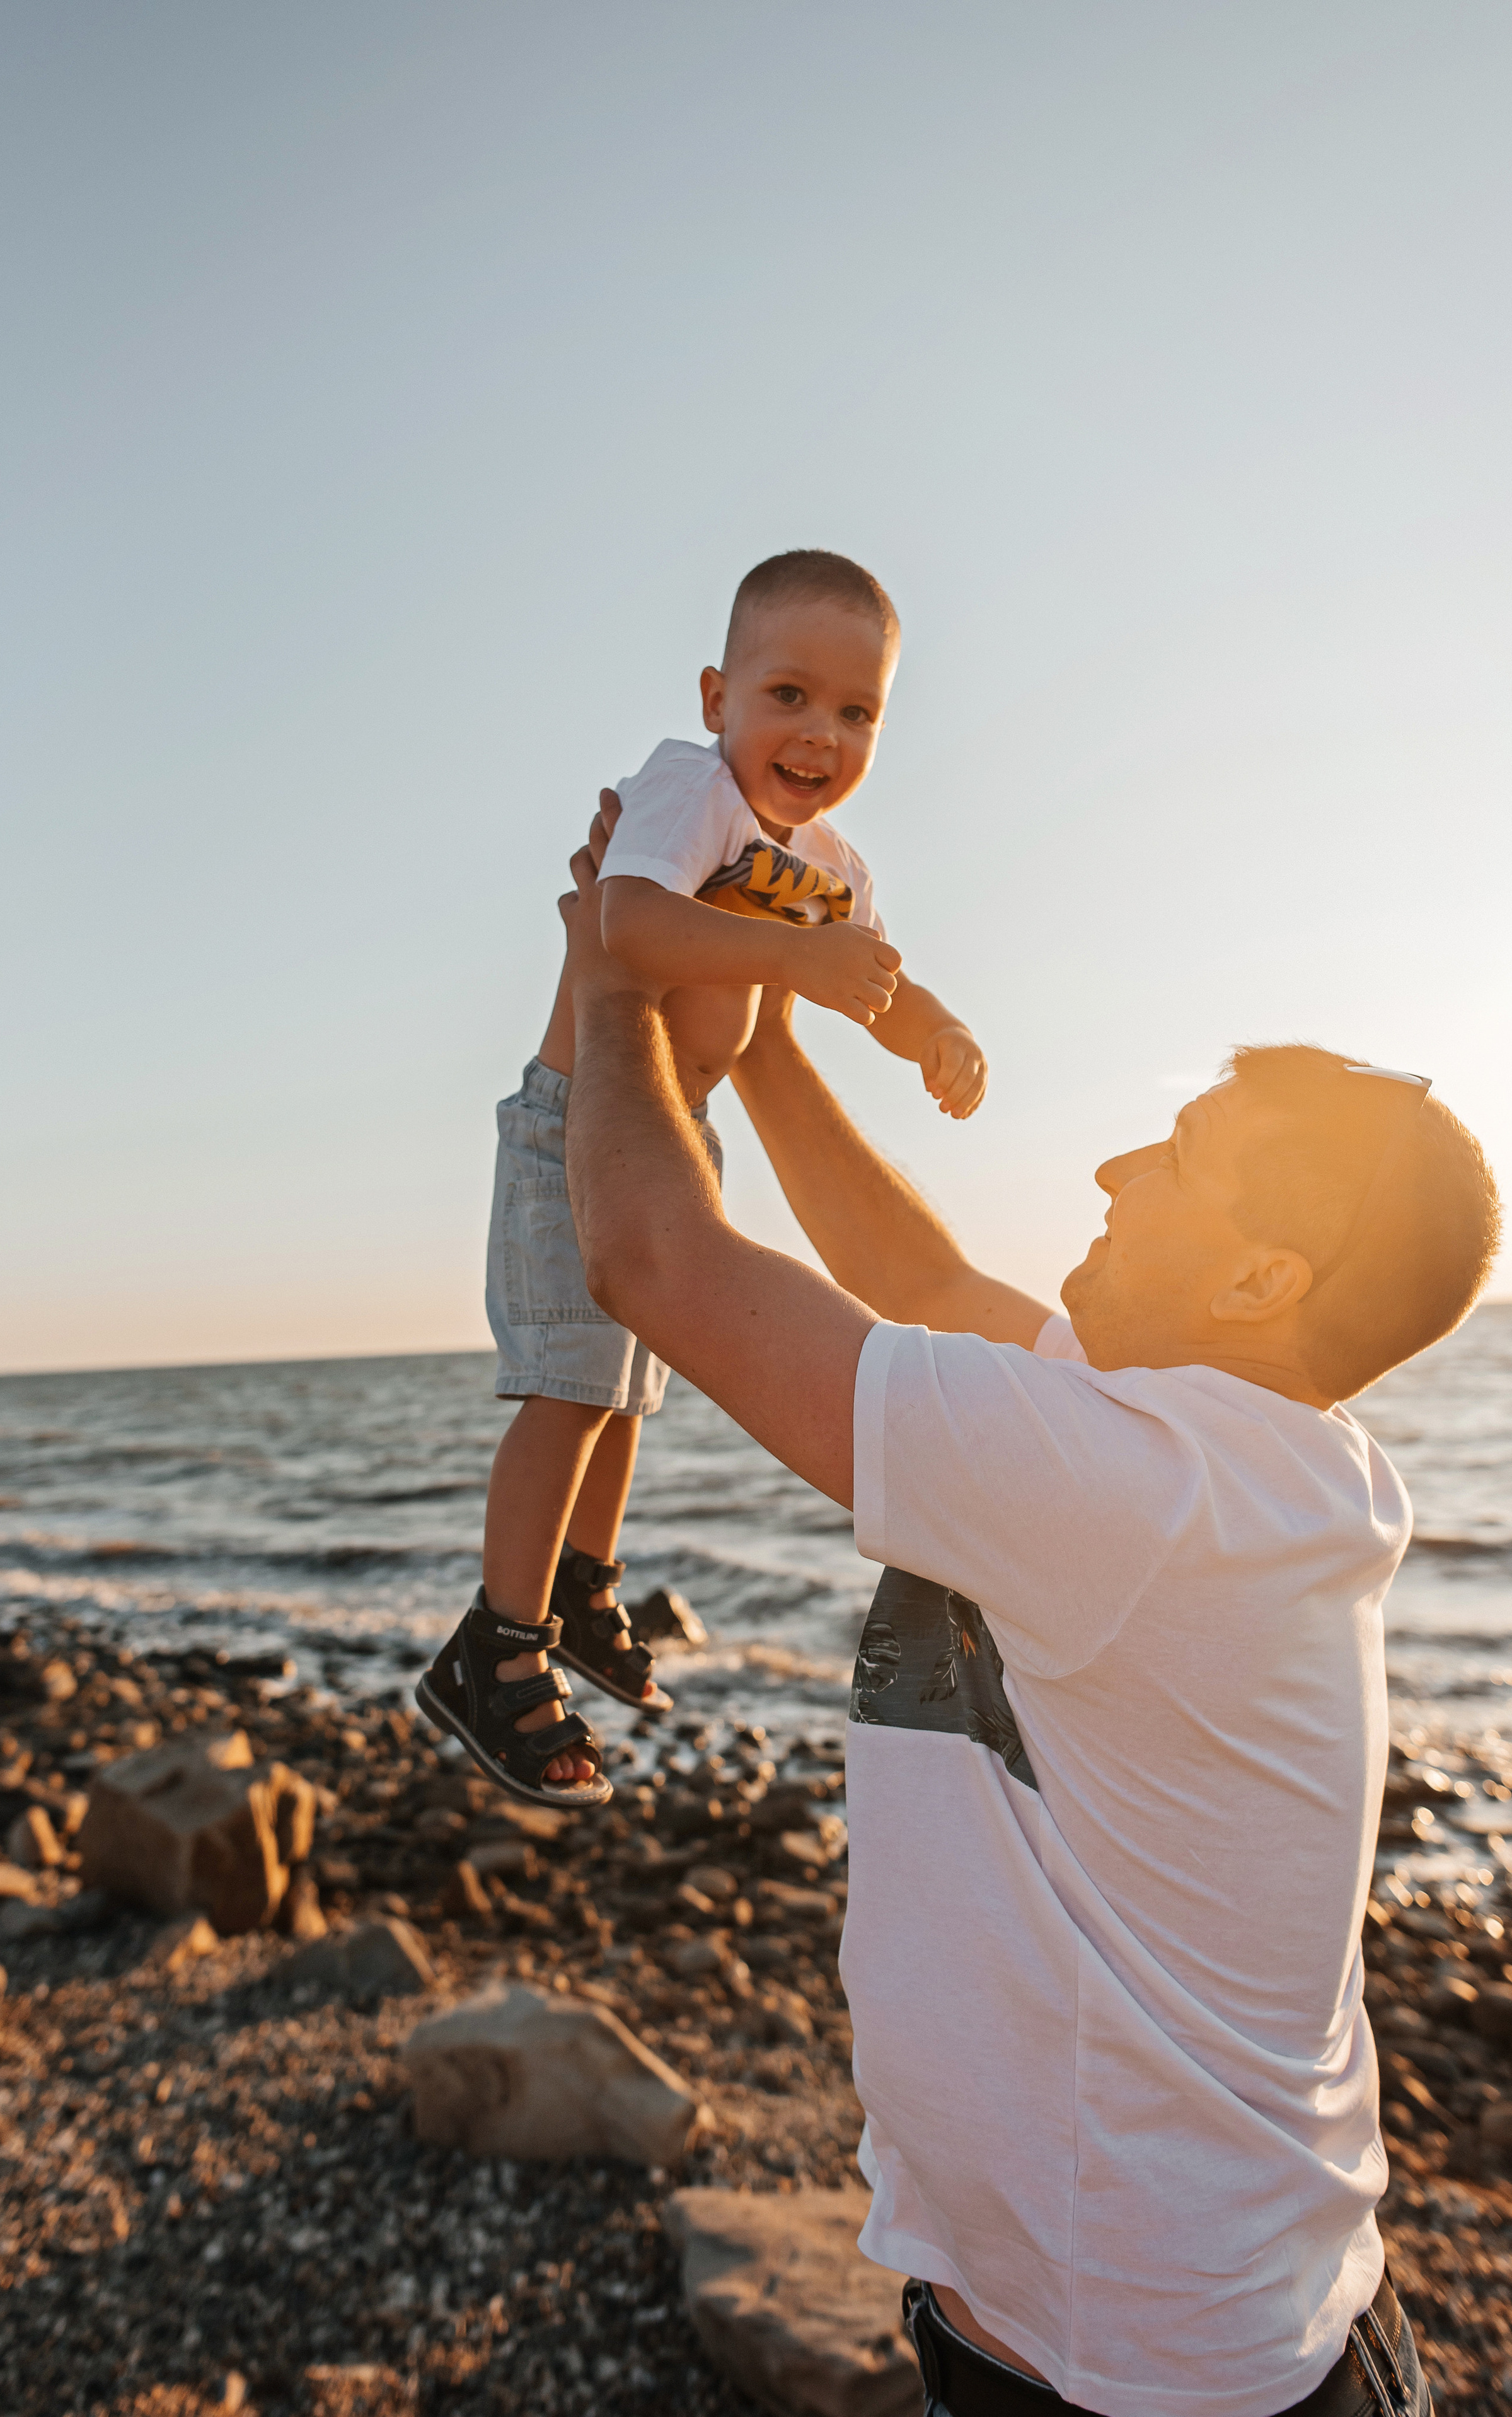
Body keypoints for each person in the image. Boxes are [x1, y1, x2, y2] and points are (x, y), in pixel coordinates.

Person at [555, 806, 1501, 2417]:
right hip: (1158, 2323)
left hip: (1144, 2376)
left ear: (1264, 1283)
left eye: (1177, 1160)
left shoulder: (1148, 1488)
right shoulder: (1223, 1448)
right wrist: (770, 1016)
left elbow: (649, 1256)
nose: (1112, 1165)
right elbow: (910, 1278)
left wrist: (614, 967)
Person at [417, 549, 986, 1807]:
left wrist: (929, 1027)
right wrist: (788, 964)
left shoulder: (827, 861)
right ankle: (492, 1644)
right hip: (579, 1126)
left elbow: (866, 970)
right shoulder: (687, 792)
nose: (815, 732)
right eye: (786, 695)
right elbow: (626, 928)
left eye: (854, 711)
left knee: (625, 1391)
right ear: (715, 694)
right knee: (567, 1386)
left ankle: (578, 1584)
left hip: (675, 1129)